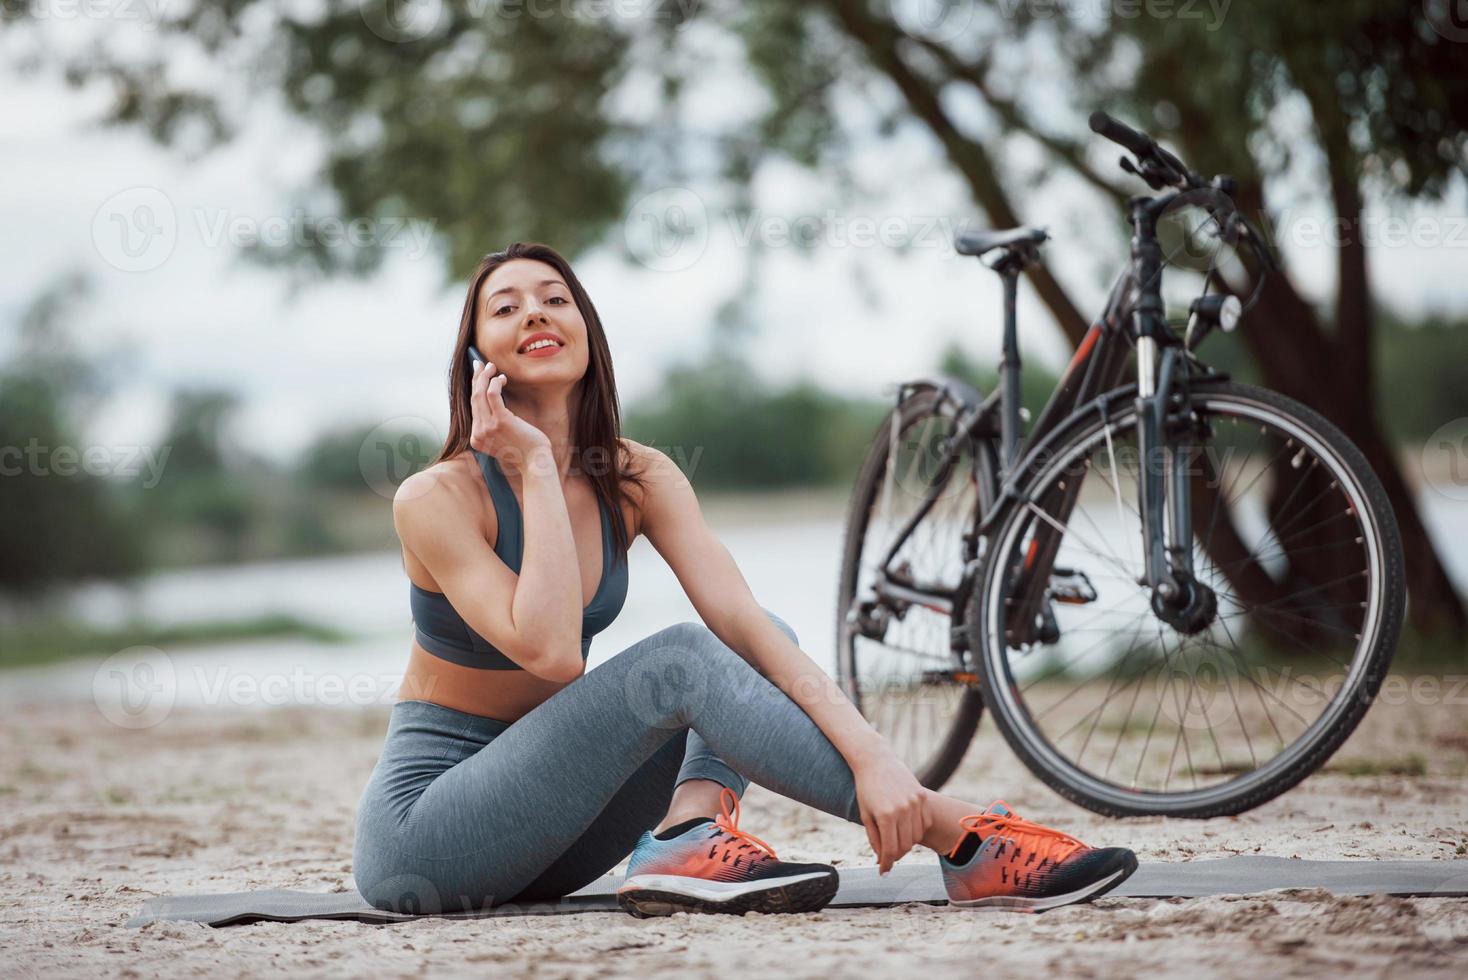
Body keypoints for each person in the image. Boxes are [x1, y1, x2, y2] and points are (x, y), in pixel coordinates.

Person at [351, 242, 1138, 918]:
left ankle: (685, 838)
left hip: (558, 830)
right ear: (476, 357)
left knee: (761, 639)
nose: (535, 314)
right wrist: (528, 465)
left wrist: (879, 761)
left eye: (555, 299)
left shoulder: (639, 477)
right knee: (681, 661)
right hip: (432, 835)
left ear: (588, 332)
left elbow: (746, 625)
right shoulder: (437, 497)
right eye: (507, 307)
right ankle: (962, 838)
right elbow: (552, 653)